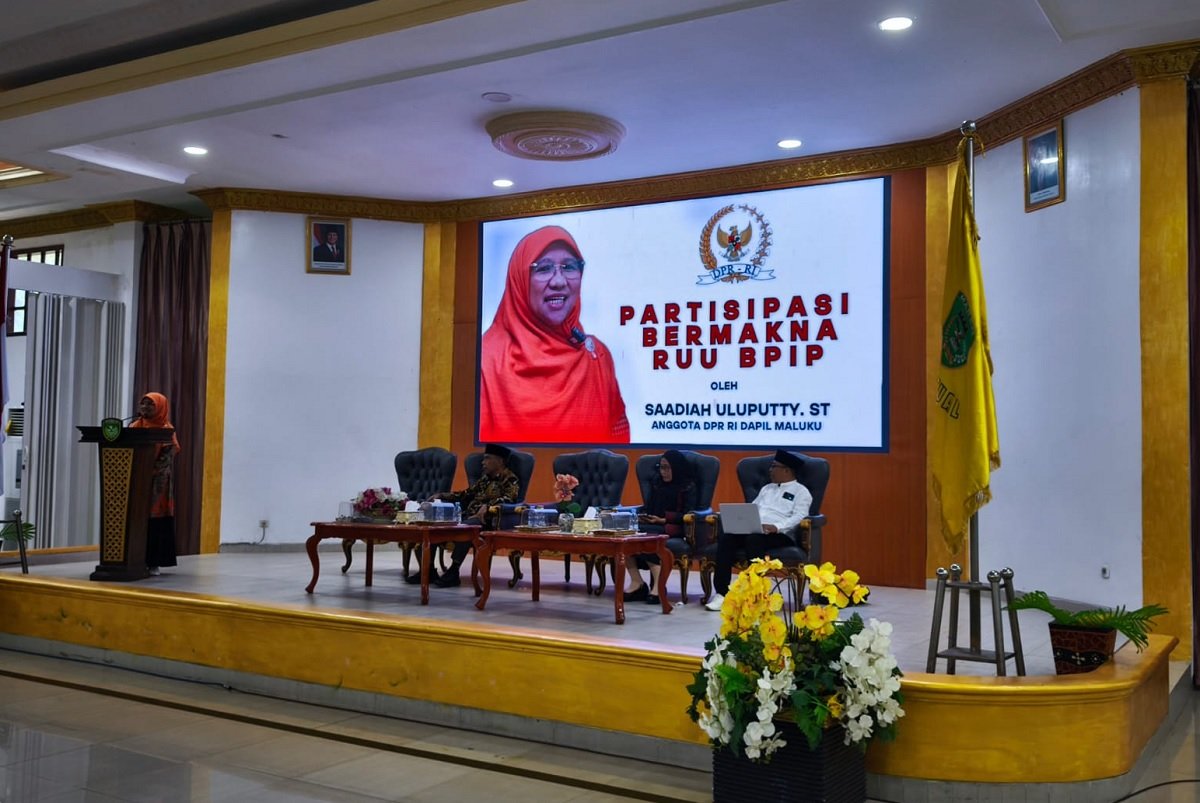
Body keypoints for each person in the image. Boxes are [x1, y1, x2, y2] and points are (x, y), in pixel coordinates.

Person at [479, 225, 629, 444]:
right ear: (520, 279)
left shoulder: (597, 356)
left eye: (569, 267)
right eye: (543, 269)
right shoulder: (487, 360)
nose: (559, 281)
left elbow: (618, 443)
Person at [705, 450, 813, 611]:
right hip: (756, 529)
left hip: (780, 534)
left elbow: (800, 516)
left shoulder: (801, 492)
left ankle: (754, 594)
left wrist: (777, 526)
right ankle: (722, 593)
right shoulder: (767, 489)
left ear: (787, 470)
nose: (770, 470)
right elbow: (753, 508)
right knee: (727, 538)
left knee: (754, 539)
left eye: (774, 467)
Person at [410, 443, 520, 588]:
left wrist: (488, 507)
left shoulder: (510, 479)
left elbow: (510, 500)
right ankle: (428, 570)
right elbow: (465, 495)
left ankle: (454, 572)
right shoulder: (485, 479)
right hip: (468, 515)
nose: (483, 462)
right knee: (434, 524)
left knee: (466, 528)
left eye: (487, 458)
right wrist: (442, 495)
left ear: (500, 461)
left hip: (488, 520)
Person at [625, 449, 699, 605]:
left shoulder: (688, 486)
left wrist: (663, 520)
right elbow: (649, 506)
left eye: (667, 468)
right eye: (661, 467)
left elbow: (687, 514)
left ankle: (658, 587)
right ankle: (637, 582)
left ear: (677, 468)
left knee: (647, 537)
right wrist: (645, 515)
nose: (663, 472)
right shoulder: (657, 482)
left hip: (673, 528)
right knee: (627, 534)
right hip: (653, 524)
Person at [130, 392, 180, 576]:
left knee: (155, 523)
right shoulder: (134, 427)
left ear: (160, 407)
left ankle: (154, 562)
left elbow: (168, 455)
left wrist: (148, 473)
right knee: (136, 520)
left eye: (150, 405)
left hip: (158, 485)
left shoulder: (166, 429)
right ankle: (134, 559)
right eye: (142, 404)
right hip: (136, 482)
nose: (144, 408)